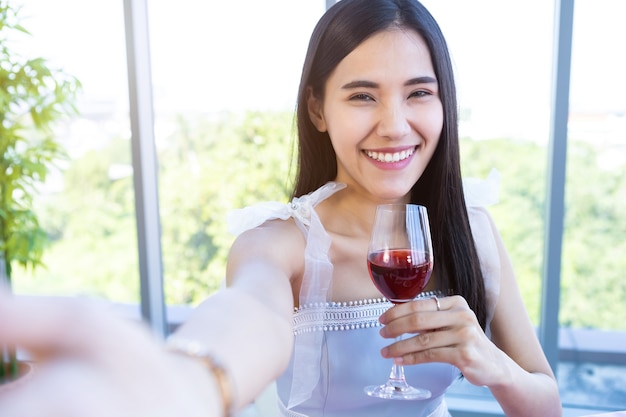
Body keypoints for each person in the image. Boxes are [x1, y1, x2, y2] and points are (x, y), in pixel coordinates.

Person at [0, 0, 562, 416]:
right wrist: (189, 382)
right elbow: (249, 314)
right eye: (362, 95)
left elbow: (546, 402)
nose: (395, 125)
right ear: (317, 109)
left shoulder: (473, 232)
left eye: (419, 93)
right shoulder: (282, 243)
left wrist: (495, 367)